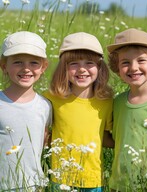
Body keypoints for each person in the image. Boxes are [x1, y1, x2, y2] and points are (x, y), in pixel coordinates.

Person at [44, 32, 114, 192]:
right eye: (73, 63)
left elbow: (104, 136)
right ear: (63, 68)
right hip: (60, 177)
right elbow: (45, 134)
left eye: (89, 63)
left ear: (99, 67)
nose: (82, 69)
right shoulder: (51, 98)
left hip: (93, 179)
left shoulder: (106, 101)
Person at [107, 28, 147, 192]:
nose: (133, 67)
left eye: (141, 60)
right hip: (120, 185)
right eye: (125, 62)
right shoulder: (117, 102)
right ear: (117, 67)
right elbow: (115, 139)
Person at [0, 31, 52, 191]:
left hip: (34, 185)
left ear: (43, 67)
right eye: (17, 62)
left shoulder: (45, 105)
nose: (26, 69)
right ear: (4, 67)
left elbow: (45, 140)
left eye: (34, 63)